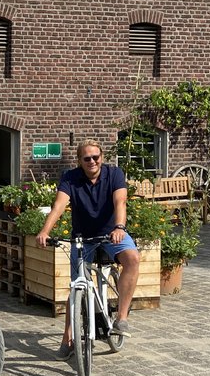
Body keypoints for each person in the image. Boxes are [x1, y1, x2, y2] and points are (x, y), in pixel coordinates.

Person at [36, 139, 140, 361]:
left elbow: (120, 202)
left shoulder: (114, 174)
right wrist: (44, 231)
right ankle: (68, 338)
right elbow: (59, 206)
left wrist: (120, 227)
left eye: (96, 157)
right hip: (83, 239)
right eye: (87, 158)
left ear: (101, 157)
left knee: (132, 258)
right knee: (76, 286)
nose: (92, 161)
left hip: (112, 233)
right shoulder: (70, 178)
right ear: (79, 161)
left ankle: (121, 318)